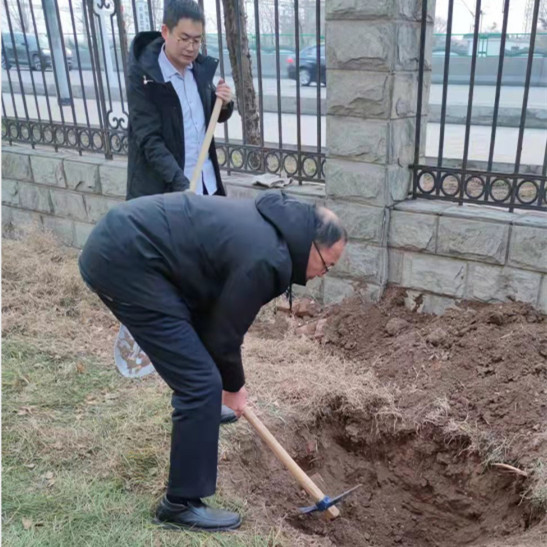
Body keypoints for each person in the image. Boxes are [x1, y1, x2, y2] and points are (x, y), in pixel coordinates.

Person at [78, 190, 347, 531]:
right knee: (200, 383)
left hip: (134, 248)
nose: (324, 273)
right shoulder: (268, 259)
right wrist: (233, 388)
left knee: (201, 370)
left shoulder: (274, 229)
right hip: (126, 261)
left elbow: (217, 314)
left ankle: (204, 412)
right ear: (311, 245)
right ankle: (180, 505)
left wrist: (227, 383)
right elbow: (225, 337)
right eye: (327, 265)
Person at [126, 0, 233, 199]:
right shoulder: (146, 77)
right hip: (165, 192)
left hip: (206, 185)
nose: (191, 48)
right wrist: (181, 185)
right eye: (184, 39)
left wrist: (225, 104)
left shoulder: (199, 69)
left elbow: (207, 116)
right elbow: (149, 140)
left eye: (197, 41)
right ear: (165, 32)